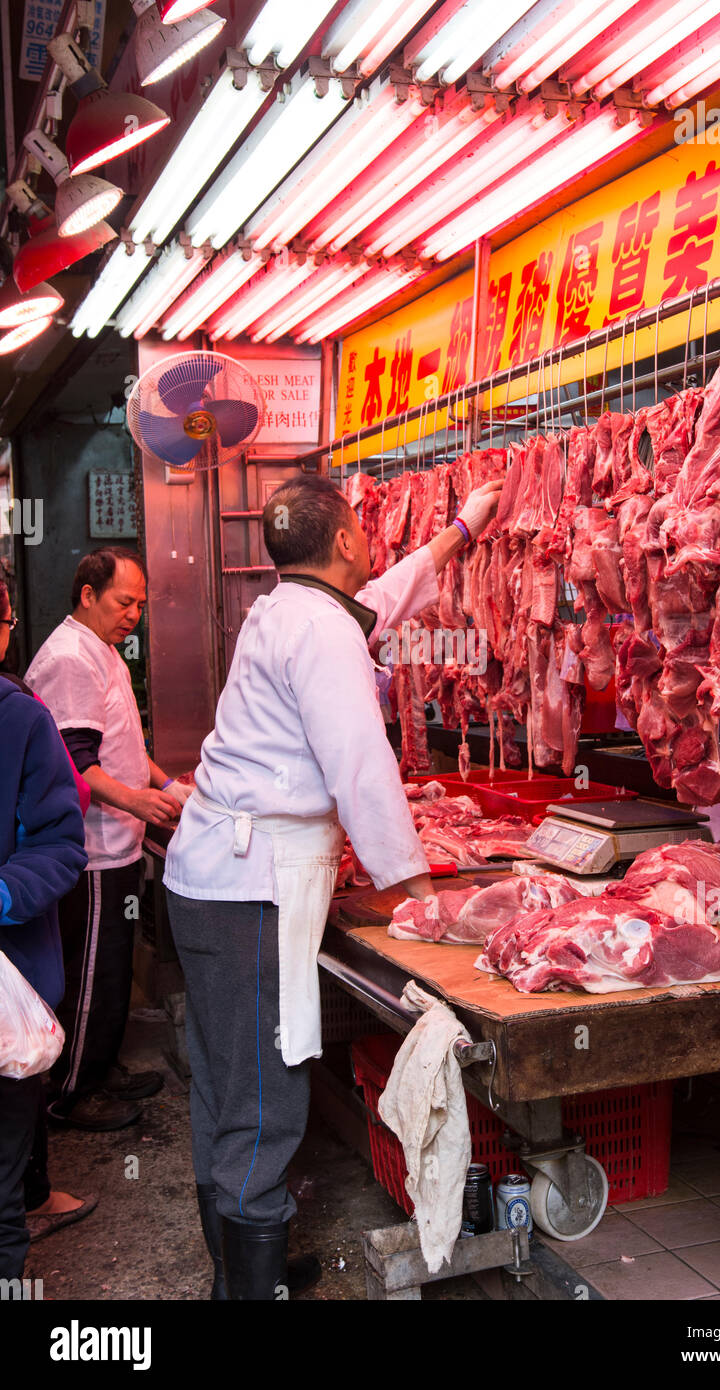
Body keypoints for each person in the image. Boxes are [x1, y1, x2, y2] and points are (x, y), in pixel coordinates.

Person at [164, 474, 502, 1300]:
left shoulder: (297, 609)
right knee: (265, 1099)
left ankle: (246, 1262)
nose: (368, 545)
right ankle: (250, 1287)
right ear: (347, 541)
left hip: (218, 879)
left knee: (227, 1084)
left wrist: (460, 529)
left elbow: (378, 601)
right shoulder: (318, 631)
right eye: (361, 530)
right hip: (248, 889)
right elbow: (363, 765)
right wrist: (417, 890)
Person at [24, 548, 192, 1131]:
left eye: (142, 605)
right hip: (93, 850)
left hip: (118, 843)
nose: (135, 615)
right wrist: (140, 802)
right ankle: (72, 1091)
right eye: (125, 602)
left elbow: (122, 744)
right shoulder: (71, 658)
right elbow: (78, 764)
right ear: (88, 594)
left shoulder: (101, 651)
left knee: (113, 967)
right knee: (93, 968)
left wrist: (169, 784)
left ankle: (100, 1065)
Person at [0, 578, 97, 1241]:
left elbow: (62, 841)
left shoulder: (19, 720)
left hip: (9, 1002)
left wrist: (4, 894)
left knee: (1, 1201)